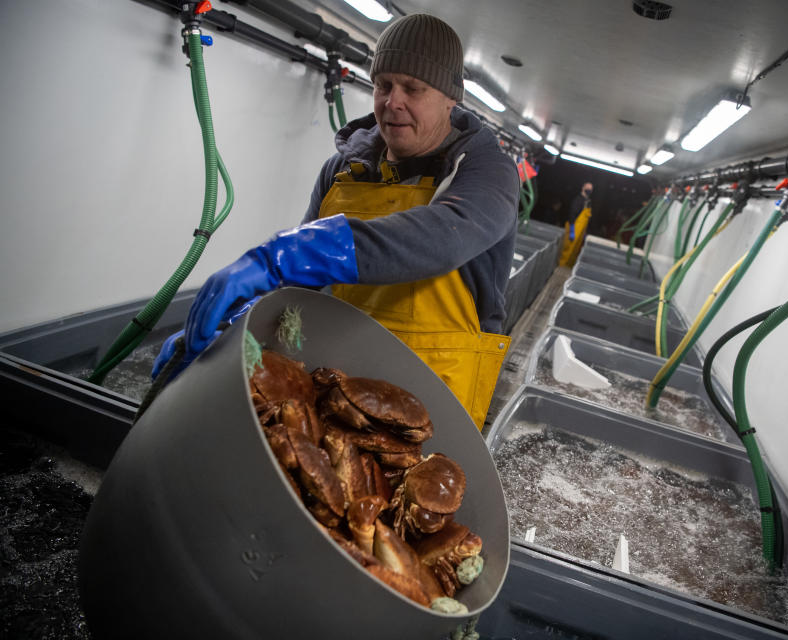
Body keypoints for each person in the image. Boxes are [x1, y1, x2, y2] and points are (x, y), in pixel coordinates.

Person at [154, 13, 520, 428]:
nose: (392, 102)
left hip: (432, 409)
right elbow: (299, 285)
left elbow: (440, 239)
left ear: (451, 99)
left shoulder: (485, 171)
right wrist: (230, 333)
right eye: (383, 85)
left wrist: (287, 252)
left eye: (413, 89)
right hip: (336, 385)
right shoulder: (342, 169)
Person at [558, 181, 592, 266]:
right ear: (583, 188)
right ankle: (561, 265)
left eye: (591, 189)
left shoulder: (587, 201)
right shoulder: (578, 199)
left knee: (575, 250)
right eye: (588, 188)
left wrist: (584, 232)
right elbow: (572, 213)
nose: (589, 190)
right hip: (573, 228)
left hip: (580, 231)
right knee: (567, 249)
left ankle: (568, 266)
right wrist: (572, 228)